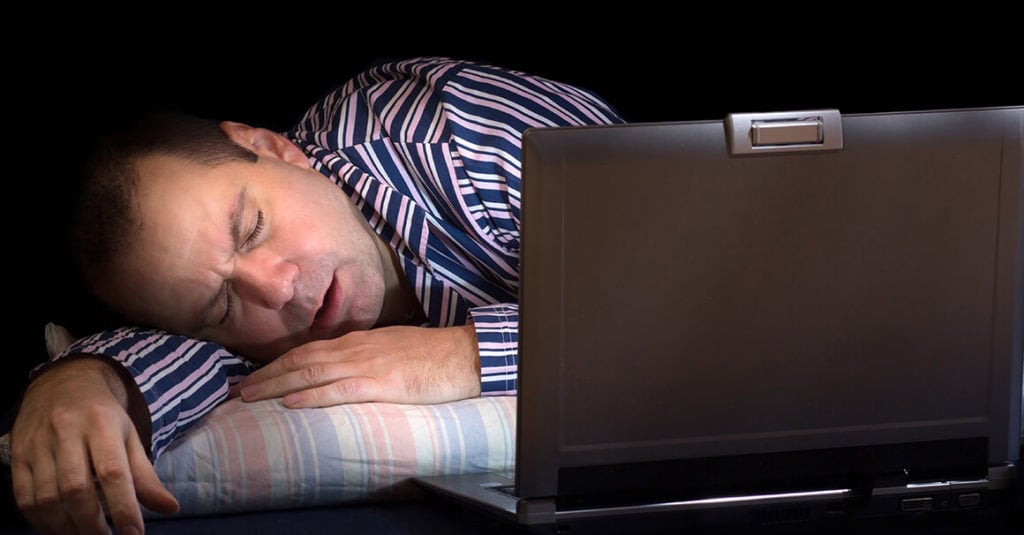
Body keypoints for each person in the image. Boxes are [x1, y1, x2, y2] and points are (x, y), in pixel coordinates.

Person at [9, 56, 624, 535]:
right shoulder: (237, 330)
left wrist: (462, 354)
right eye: (222, 306)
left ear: (274, 149)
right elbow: (174, 357)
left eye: (253, 228)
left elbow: (674, 293)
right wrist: (79, 381)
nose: (277, 288)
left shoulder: (458, 132)